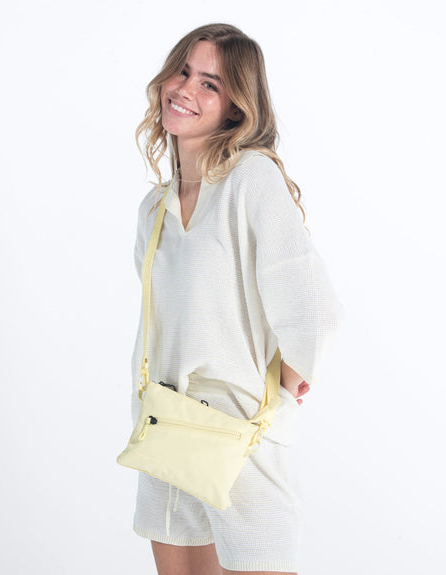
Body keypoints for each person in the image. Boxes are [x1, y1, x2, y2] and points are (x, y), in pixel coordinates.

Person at [127, 23, 342, 575]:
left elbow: (312, 307)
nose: (185, 89)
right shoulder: (154, 209)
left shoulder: (250, 179)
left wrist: (284, 392)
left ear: (235, 107)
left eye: (210, 84)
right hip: (165, 430)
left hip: (241, 440)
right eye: (182, 72)